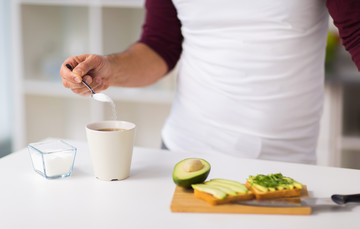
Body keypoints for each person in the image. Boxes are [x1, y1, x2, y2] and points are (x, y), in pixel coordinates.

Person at [60, 0, 360, 164]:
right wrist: (109, 69)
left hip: (284, 163)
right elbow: (159, 45)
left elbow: (357, 34)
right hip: (185, 151)